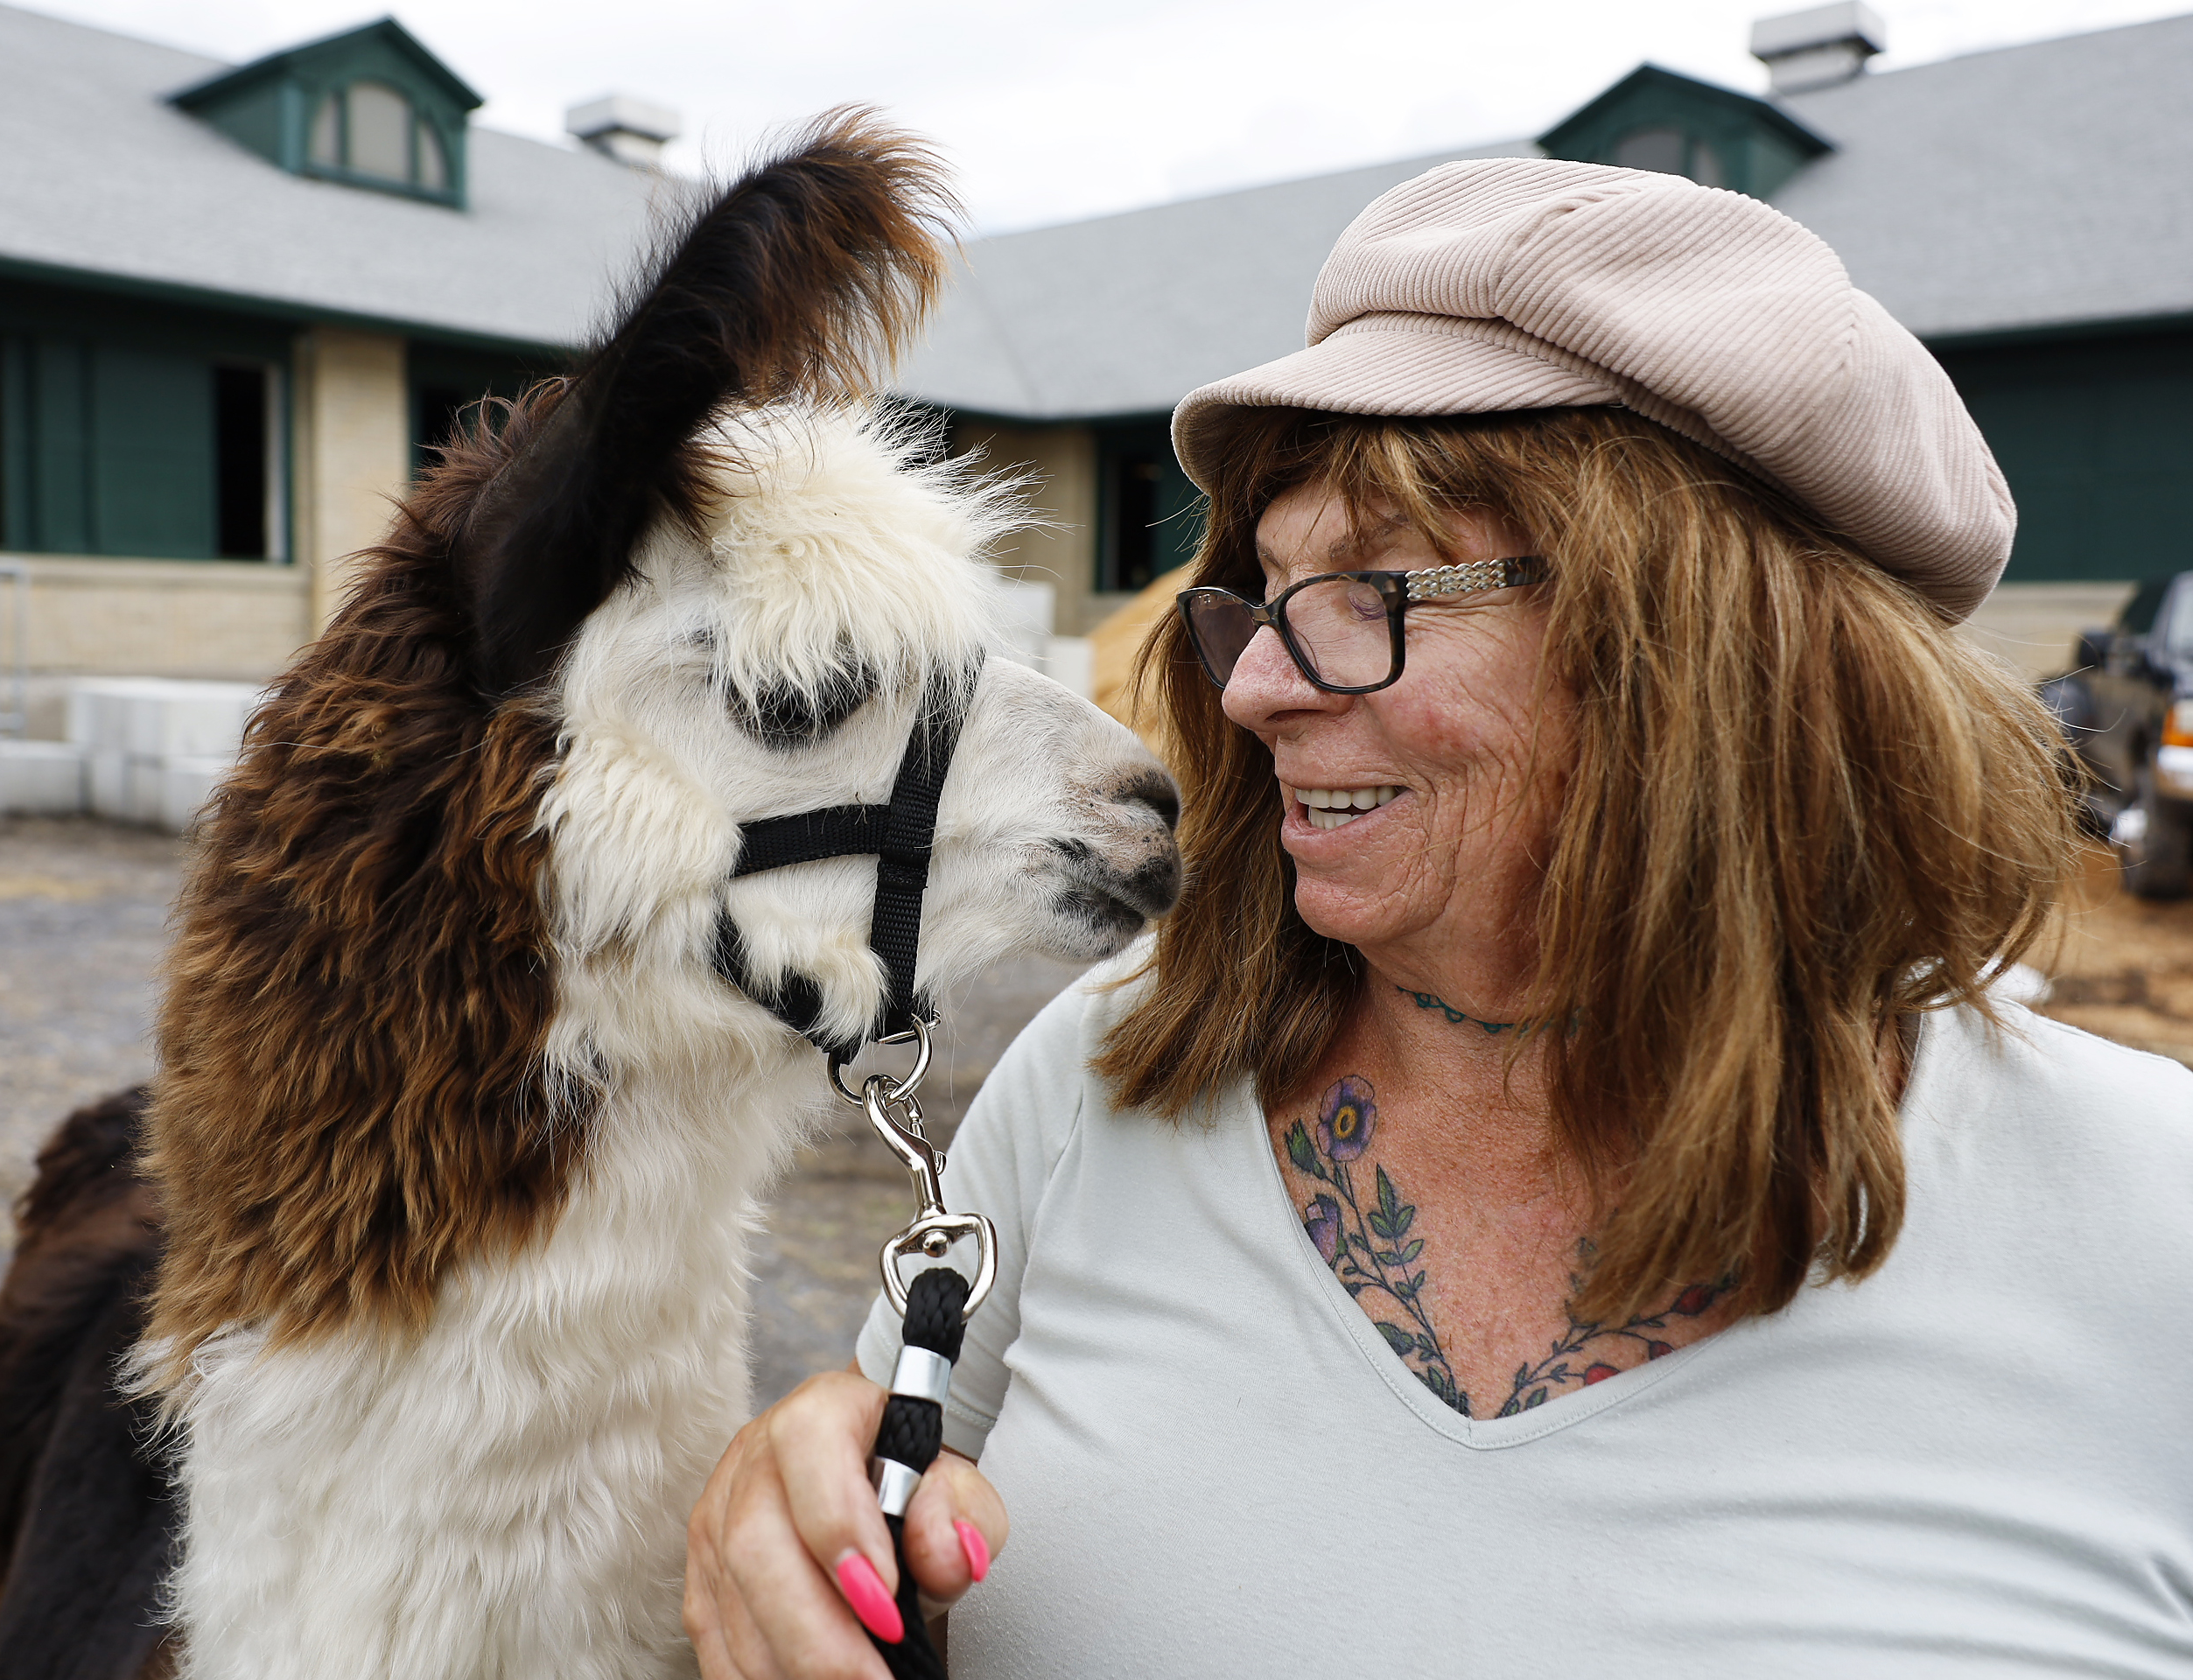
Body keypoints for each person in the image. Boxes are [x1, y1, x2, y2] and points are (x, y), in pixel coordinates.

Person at [683, 157, 2193, 1677]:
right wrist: (799, 1537)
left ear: (1712, 654)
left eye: (1374, 590)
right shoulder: (1099, 1083)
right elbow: (883, 1548)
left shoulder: (2152, 1219)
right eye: (1265, 594)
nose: (1255, 687)